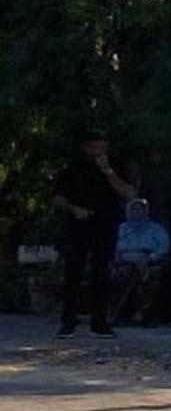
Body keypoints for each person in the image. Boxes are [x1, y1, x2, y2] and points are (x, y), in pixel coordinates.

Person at [54, 126, 130, 338]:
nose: (99, 152)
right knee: (74, 271)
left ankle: (99, 322)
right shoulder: (74, 167)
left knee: (102, 272)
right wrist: (73, 209)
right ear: (86, 148)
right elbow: (58, 197)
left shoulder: (115, 165)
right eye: (95, 148)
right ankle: (68, 321)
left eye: (103, 148)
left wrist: (108, 172)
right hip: (79, 224)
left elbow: (128, 193)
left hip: (105, 224)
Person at [111, 198, 171, 326]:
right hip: (123, 262)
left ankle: (143, 314)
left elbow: (163, 248)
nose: (137, 212)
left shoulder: (156, 229)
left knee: (146, 277)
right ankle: (119, 314)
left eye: (140, 209)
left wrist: (150, 258)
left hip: (149, 262)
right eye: (133, 209)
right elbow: (112, 246)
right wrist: (117, 258)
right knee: (120, 275)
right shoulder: (121, 229)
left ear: (146, 211)